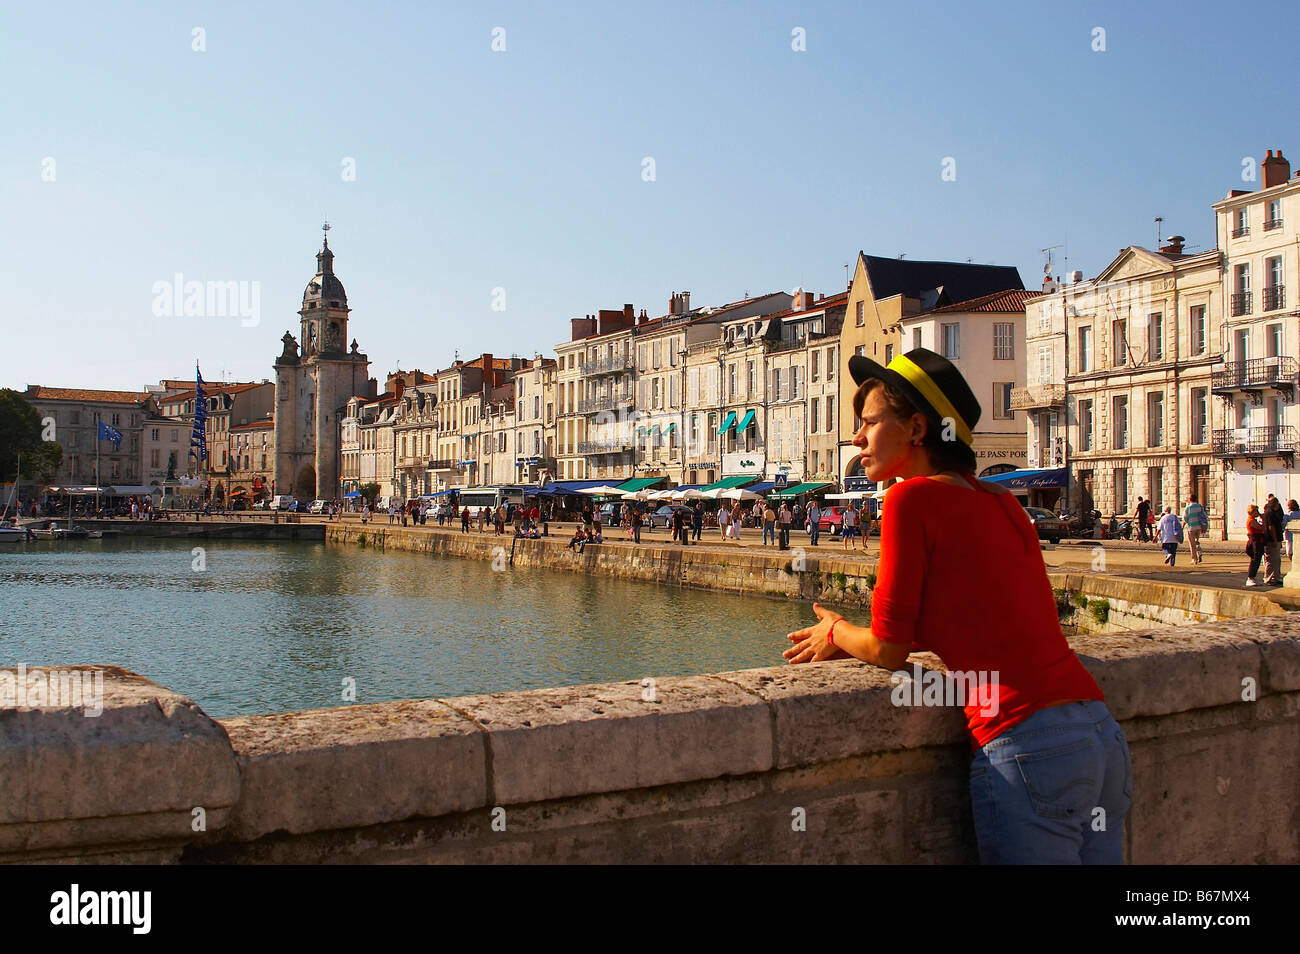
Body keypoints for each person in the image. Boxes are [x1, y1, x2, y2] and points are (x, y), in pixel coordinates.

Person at [783, 346, 1128, 864]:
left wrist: (835, 632)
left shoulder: (909, 500)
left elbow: (888, 649)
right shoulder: (1001, 502)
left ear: (916, 428)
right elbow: (983, 616)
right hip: (1098, 732)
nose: (856, 438)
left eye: (869, 422)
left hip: (1025, 739)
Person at [1264, 495, 1285, 585]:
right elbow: (1271, 527)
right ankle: (1269, 578)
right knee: (1271, 560)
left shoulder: (1273, 512)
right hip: (1271, 540)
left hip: (1275, 538)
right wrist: (1275, 540)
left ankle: (1275, 577)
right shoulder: (1270, 513)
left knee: (1276, 559)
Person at [1245, 504, 1266, 586]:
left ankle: (1252, 577)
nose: (1258, 512)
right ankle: (1250, 577)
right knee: (1255, 559)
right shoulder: (1251, 520)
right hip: (1255, 541)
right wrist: (1263, 519)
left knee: (1256, 559)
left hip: (1257, 540)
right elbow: (1261, 528)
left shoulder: (1253, 519)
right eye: (1256, 511)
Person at [1183, 495, 1208, 565]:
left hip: (1191, 527)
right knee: (1197, 541)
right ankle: (1199, 553)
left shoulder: (1188, 508)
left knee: (1192, 544)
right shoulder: (1200, 506)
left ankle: (1194, 559)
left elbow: (1185, 519)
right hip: (1199, 527)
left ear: (1190, 499)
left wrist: (1182, 526)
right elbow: (1204, 516)